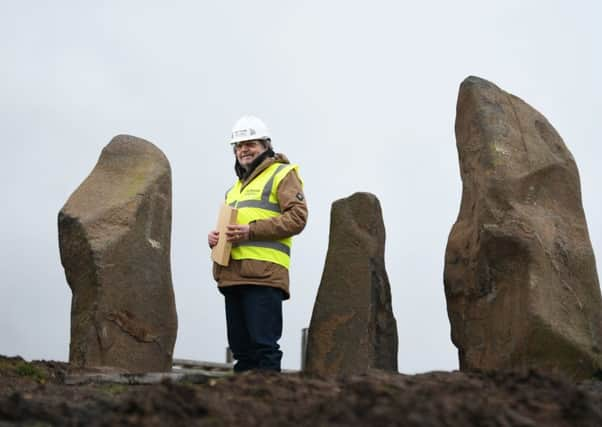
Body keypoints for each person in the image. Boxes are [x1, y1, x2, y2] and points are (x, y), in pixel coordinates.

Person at [208, 115, 308, 372]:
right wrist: (216, 238)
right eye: (239, 145)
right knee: (242, 352)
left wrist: (249, 232)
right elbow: (233, 227)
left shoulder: (282, 174)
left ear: (265, 145)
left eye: (250, 143)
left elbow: (298, 218)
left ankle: (270, 406)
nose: (243, 150)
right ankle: (244, 407)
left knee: (264, 348)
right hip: (233, 276)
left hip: (264, 276)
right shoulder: (235, 188)